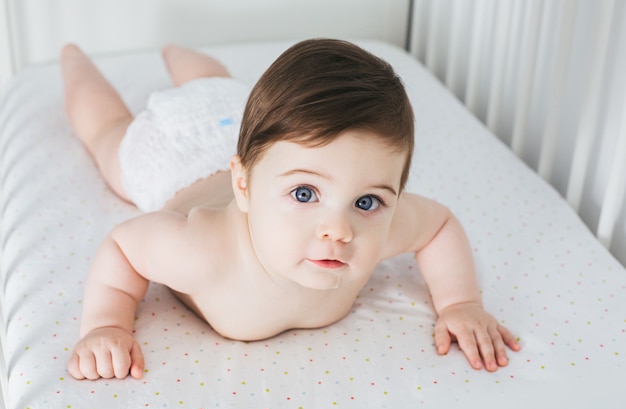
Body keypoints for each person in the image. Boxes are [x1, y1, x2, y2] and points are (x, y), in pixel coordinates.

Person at [62, 39, 521, 381]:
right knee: (108, 133)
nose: (338, 230)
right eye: (305, 194)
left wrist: (460, 302)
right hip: (176, 156)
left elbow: (438, 224)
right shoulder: (200, 250)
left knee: (217, 88)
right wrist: (106, 324)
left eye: (366, 202)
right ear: (243, 187)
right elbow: (123, 247)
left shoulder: (376, 228)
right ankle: (73, 59)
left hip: (241, 124)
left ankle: (180, 53)